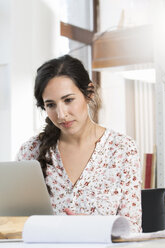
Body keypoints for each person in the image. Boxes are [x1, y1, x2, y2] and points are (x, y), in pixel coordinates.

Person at [16, 55, 142, 233]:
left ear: (89, 93)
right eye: (51, 105)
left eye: (68, 100)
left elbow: (133, 230)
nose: (61, 114)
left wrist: (94, 227)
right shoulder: (30, 152)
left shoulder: (122, 149)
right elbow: (15, 222)